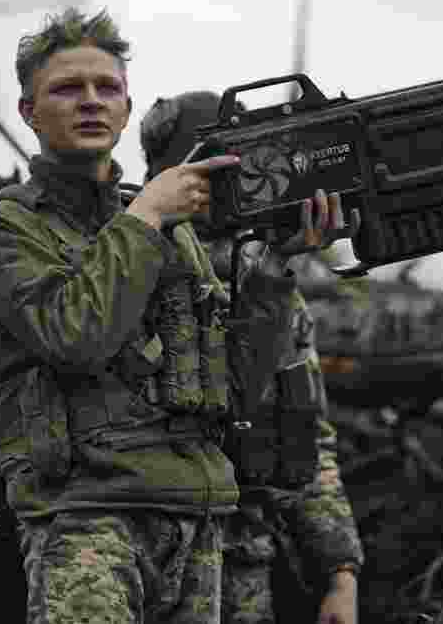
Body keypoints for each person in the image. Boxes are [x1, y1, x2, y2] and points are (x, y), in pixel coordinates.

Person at [0, 6, 355, 624]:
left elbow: (236, 392)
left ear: (125, 106)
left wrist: (277, 268)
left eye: (107, 87)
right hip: (88, 520)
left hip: (196, 521)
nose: (90, 101)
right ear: (28, 112)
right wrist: (145, 218)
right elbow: (75, 336)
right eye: (67, 88)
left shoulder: (171, 230)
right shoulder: (6, 229)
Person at [140, 91, 365, 624]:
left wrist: (340, 573)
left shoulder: (273, 285)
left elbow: (308, 434)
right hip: (152, 562)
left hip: (245, 565)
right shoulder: (131, 276)